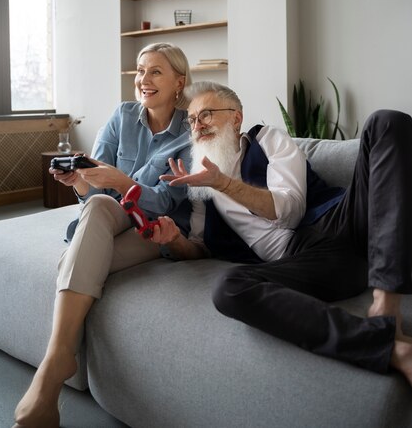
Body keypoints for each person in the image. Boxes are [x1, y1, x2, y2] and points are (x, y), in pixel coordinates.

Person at [156, 81, 412, 388]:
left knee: (387, 121)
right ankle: (388, 348)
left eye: (207, 114)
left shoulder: (267, 139)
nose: (198, 125)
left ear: (236, 118)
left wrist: (223, 183)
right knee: (229, 287)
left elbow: (290, 211)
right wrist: (174, 240)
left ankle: (387, 306)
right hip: (307, 261)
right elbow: (199, 247)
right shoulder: (199, 184)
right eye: (193, 119)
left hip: (341, 221)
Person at [13, 42, 192, 428]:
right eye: (140, 70)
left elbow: (168, 201)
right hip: (109, 213)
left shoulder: (191, 133)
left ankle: (52, 369)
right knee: (95, 207)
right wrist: (79, 181)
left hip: (153, 228)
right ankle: (58, 358)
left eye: (156, 71)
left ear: (180, 81)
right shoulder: (123, 115)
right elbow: (94, 193)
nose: (143, 79)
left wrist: (122, 180)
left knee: (76, 258)